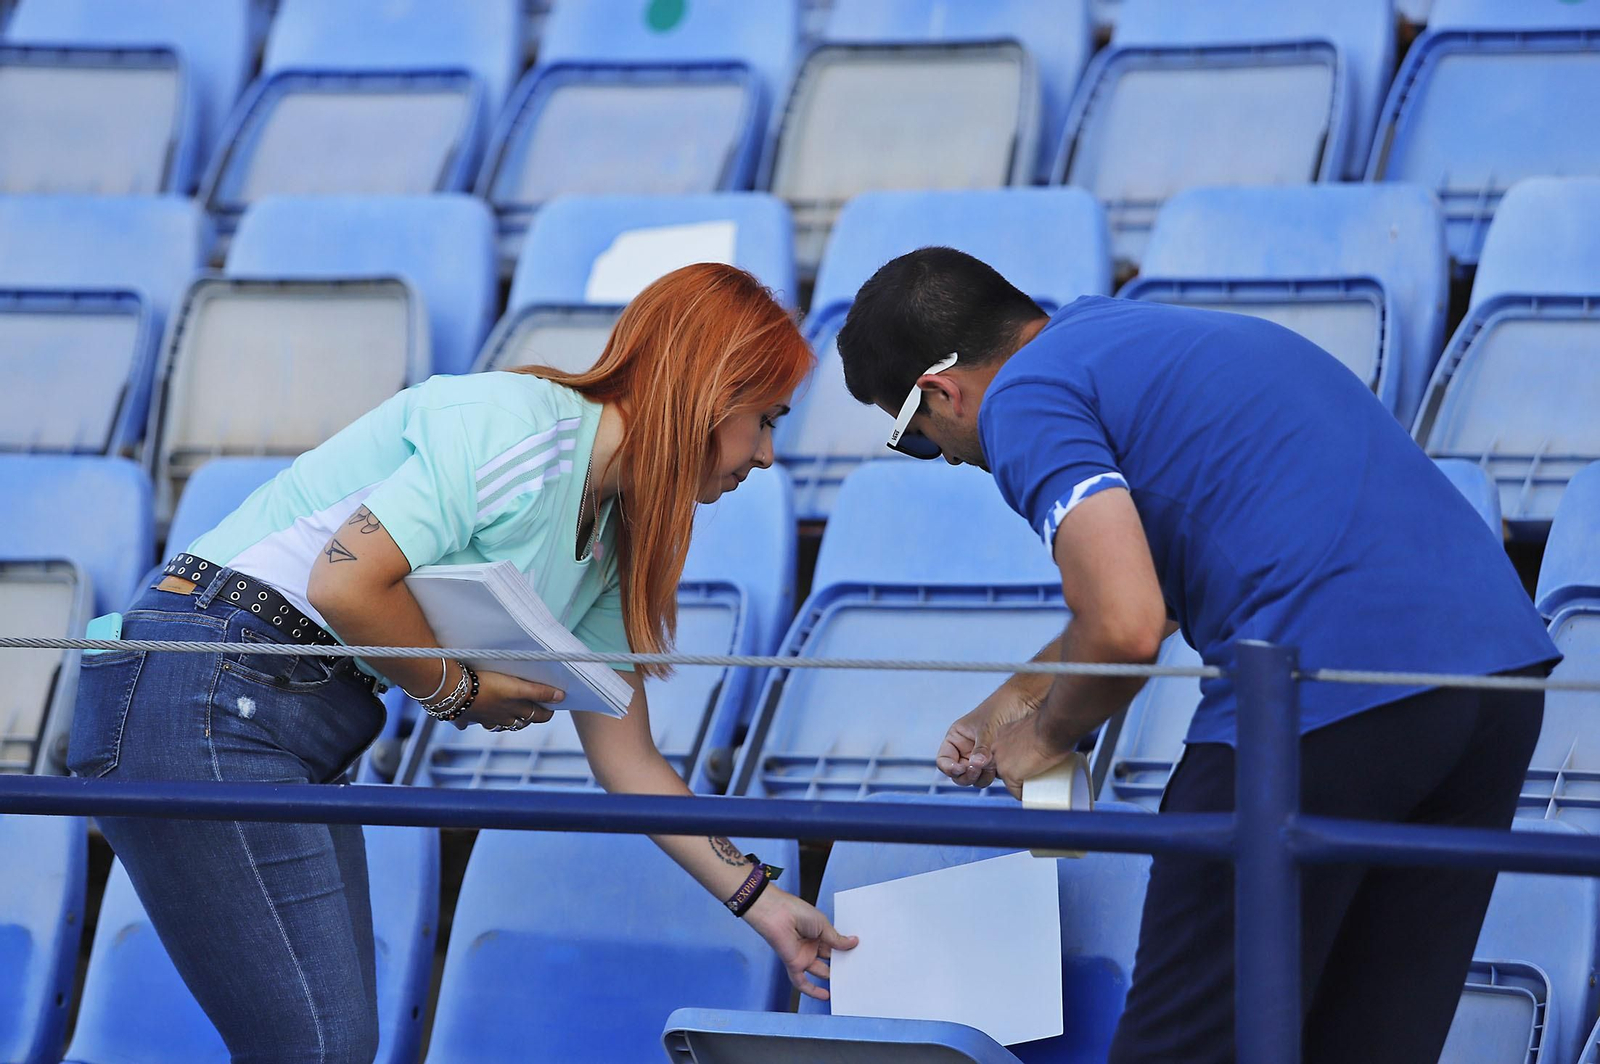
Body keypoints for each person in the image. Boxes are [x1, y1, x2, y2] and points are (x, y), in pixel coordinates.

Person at [69, 263, 856, 1063]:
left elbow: (630, 759)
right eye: (765, 419)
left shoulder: (613, 536)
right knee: (322, 1047)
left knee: (328, 1046)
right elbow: (343, 583)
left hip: (263, 706)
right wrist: (458, 690)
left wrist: (762, 901)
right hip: (207, 684)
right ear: (710, 393)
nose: (765, 455)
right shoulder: (525, 428)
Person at [834, 246, 1561, 1064]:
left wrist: (1043, 739)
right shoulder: (1127, 335)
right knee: (1366, 1043)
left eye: (917, 439)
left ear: (939, 391)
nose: (949, 458)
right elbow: (1173, 575)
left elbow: (1126, 624)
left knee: (1180, 1049)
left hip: (1319, 684)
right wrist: (1011, 703)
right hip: (1497, 670)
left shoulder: (1023, 396)